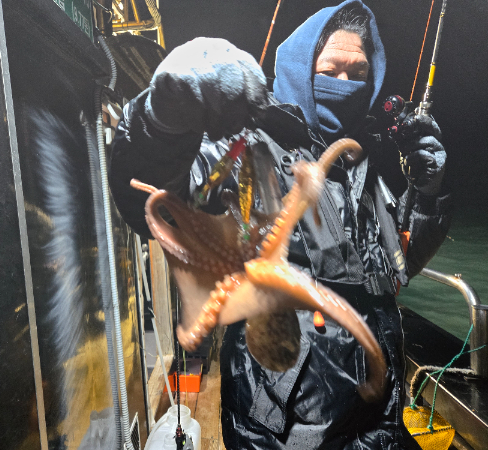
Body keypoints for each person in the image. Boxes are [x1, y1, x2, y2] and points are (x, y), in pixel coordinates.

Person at [109, 0, 451, 448]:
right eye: (330, 70)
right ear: (301, 68)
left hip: (378, 420)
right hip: (282, 430)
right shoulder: (246, 149)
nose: (344, 84)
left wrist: (429, 194)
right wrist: (160, 120)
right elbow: (155, 200)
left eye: (358, 73)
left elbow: (399, 265)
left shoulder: (364, 162)